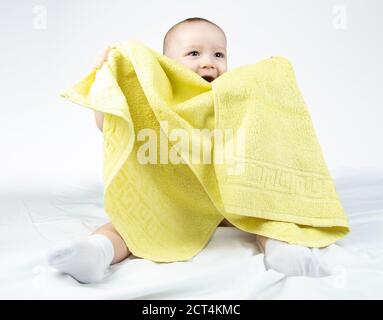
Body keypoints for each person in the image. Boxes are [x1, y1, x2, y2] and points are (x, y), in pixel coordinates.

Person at [47, 17, 330, 284]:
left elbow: (266, 126)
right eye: (194, 54)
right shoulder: (154, 101)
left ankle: (281, 251)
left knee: (266, 215)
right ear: (166, 66)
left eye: (218, 55)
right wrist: (107, 77)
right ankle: (97, 252)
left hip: (226, 200)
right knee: (126, 224)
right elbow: (110, 123)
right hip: (173, 200)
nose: (208, 63)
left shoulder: (230, 98)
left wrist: (268, 86)